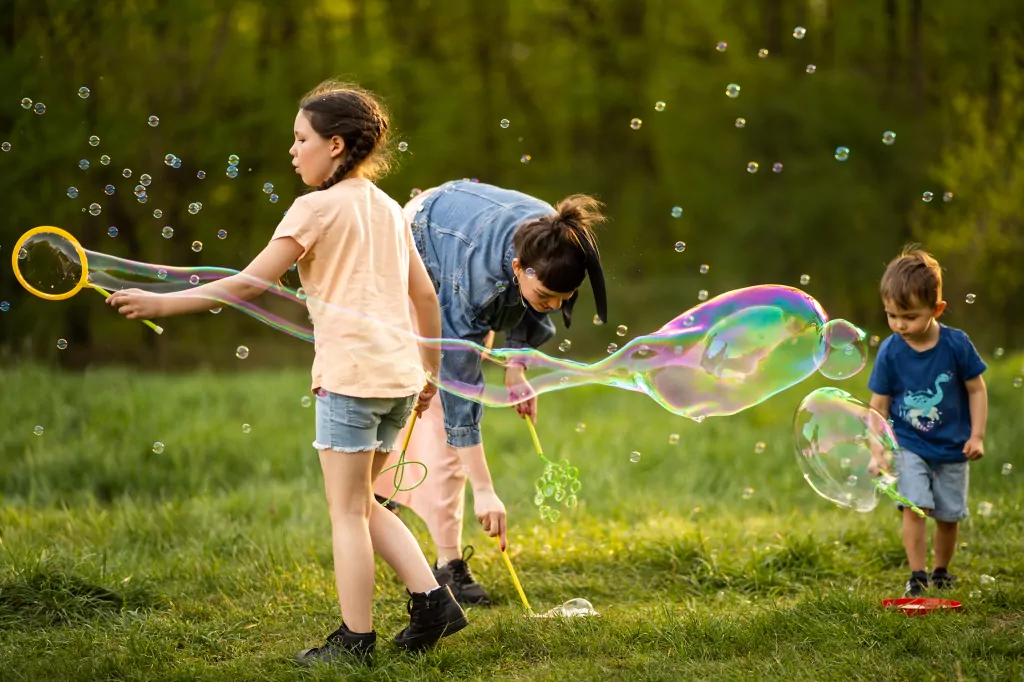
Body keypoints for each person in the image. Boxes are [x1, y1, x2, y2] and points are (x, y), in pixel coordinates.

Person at [107, 79, 468, 664]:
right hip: (399, 380)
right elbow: (425, 297)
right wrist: (429, 373)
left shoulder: (315, 209)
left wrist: (162, 304)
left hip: (350, 381)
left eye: (302, 139)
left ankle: (355, 640)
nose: (293, 151)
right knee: (366, 503)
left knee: (347, 512)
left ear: (335, 145)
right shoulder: (387, 207)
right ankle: (434, 603)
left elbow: (251, 283)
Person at [373, 180, 608, 606]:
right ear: (518, 267)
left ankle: (386, 502)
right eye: (547, 296)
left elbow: (526, 303)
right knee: (434, 405)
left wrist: (516, 367)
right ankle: (442, 558)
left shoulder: (555, 239)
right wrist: (485, 490)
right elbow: (462, 391)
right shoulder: (476, 283)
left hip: (465, 240)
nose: (555, 306)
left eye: (566, 299)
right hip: (422, 240)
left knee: (437, 409)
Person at [867, 246, 988, 597]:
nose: (899, 325)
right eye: (891, 315)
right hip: (909, 444)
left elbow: (977, 389)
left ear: (937, 309)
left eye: (909, 316)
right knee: (915, 507)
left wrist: (977, 435)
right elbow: (878, 406)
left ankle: (941, 571)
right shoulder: (890, 351)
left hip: (953, 446)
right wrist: (877, 450)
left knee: (949, 515)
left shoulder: (956, 345)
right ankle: (917, 574)